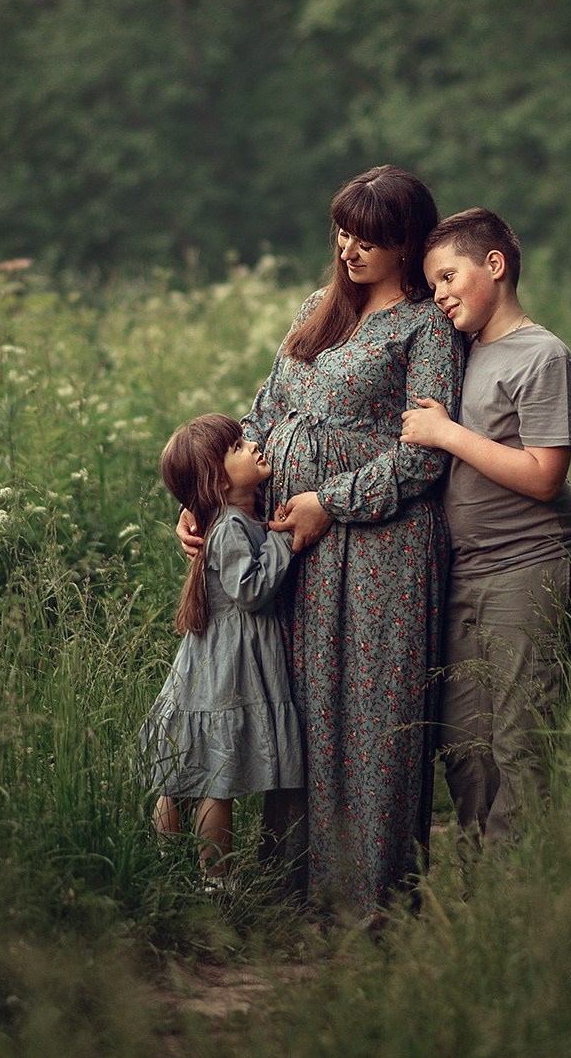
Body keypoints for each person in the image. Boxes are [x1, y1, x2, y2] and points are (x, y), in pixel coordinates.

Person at [185, 164, 464, 920]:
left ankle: (370, 904)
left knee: (372, 719)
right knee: (298, 714)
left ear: (406, 243)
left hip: (381, 548)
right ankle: (291, 898)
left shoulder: (426, 325)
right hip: (293, 549)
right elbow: (262, 413)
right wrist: (210, 503)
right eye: (342, 233)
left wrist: (329, 503)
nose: (349, 250)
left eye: (367, 238)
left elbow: (423, 455)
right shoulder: (318, 308)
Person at [400, 207, 571, 847]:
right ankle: (482, 882)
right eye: (433, 284)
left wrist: (447, 434)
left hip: (528, 566)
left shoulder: (542, 356)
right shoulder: (461, 352)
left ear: (496, 265)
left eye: (448, 276)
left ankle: (520, 889)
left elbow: (544, 475)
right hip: (464, 572)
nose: (439, 294)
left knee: (519, 741)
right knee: (465, 747)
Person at [140, 413, 306, 879]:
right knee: (218, 778)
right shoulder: (231, 526)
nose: (252, 445)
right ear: (218, 480)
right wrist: (283, 541)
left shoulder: (236, 516)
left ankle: (168, 867)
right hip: (227, 666)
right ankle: (215, 882)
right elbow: (249, 590)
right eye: (237, 447)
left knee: (183, 774)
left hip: (209, 661)